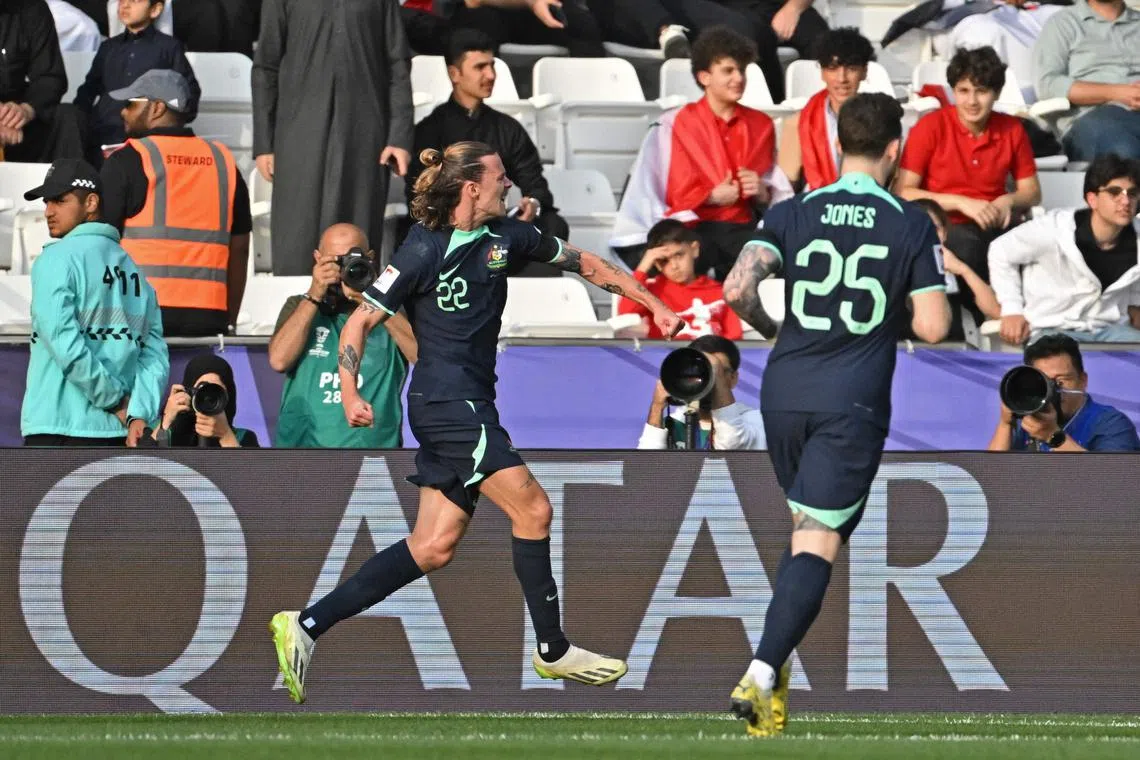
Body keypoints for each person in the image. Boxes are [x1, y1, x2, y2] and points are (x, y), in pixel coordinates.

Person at [268, 141, 685, 703]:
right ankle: (553, 649)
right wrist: (349, 390)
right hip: (448, 407)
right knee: (533, 509)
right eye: (499, 176)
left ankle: (306, 625)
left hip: (469, 405)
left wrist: (652, 303)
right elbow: (358, 323)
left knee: (432, 546)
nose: (508, 183)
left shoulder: (507, 237)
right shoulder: (421, 250)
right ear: (471, 188)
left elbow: (586, 262)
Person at [721, 93, 951, 737]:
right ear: (895, 150)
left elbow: (737, 288)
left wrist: (774, 329)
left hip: (784, 390)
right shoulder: (909, 223)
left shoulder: (794, 210)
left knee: (807, 530)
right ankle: (761, 669)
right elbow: (934, 326)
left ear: (835, 143)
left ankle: (774, 681)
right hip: (850, 398)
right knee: (819, 538)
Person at [252, 0, 413, 276]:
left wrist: (399, 137)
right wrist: (264, 142)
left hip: (364, 133)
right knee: (297, 230)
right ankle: (296, 301)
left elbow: (397, 62)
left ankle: (358, 299)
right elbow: (266, 65)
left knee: (358, 230)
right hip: (298, 132)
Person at [20, 158, 168, 446]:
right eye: (47, 202)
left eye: (60, 200)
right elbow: (155, 355)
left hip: (57, 429)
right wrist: (138, 414)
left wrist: (115, 401)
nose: (48, 211)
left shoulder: (55, 260)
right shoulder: (135, 271)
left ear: (90, 203)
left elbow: (64, 343)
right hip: (119, 433)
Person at [894, 45, 1041, 320]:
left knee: (1035, 246)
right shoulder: (931, 126)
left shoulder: (1012, 129)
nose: (972, 101)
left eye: (981, 91)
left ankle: (1024, 318)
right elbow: (903, 191)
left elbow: (1032, 192)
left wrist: (1008, 200)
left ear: (996, 93)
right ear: (953, 91)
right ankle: (986, 318)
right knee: (971, 245)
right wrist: (962, 203)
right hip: (944, 227)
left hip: (993, 224)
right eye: (963, 91)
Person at [100, 69, 249, 337]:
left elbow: (98, 245)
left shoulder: (128, 159)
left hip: (139, 315)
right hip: (209, 317)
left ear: (157, 108)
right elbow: (239, 249)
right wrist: (229, 320)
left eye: (131, 104)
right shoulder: (224, 163)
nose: (123, 112)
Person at [407, 29, 569, 276]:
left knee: (553, 226)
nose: (491, 75)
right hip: (452, 229)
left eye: (492, 65)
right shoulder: (429, 131)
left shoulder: (508, 128)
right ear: (454, 74)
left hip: (501, 229)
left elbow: (536, 185)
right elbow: (420, 193)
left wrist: (532, 203)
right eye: (480, 67)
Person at [270, 223, 418, 449]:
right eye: (335, 261)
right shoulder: (299, 306)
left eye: (352, 260)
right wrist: (314, 295)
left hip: (374, 456)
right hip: (302, 452)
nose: (344, 269)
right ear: (317, 258)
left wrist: (373, 300)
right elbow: (279, 360)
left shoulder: (391, 312)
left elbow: (421, 357)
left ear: (370, 258)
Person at [988, 153, 1140, 344]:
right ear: (1092, 199)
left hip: (1112, 331)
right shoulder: (1054, 228)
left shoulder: (1136, 236)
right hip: (1051, 330)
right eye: (1114, 192)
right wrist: (1012, 309)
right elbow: (1000, 250)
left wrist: (1135, 303)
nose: (1125, 201)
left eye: (1132, 193)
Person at [74, 0, 200, 167]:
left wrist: (167, 124)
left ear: (155, 9)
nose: (125, 5)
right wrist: (81, 122)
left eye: (135, 0)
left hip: (148, 140)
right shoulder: (108, 47)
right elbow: (88, 89)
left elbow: (187, 92)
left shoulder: (169, 47)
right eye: (122, 0)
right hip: (104, 135)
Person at [989, 333, 1140, 451]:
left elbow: (1111, 478)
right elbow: (990, 476)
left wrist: (1053, 437)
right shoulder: (1029, 421)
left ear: (1083, 380)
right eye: (1043, 382)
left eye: (1060, 381)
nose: (1052, 389)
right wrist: (1005, 424)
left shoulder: (1112, 423)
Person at [1034, 0, 1140, 161]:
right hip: (1093, 117)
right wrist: (1117, 92)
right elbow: (1047, 84)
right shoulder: (1063, 23)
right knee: (1123, 153)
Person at [778, 27, 875, 191]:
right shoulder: (798, 123)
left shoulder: (879, 121)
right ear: (822, 72)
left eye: (851, 69)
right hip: (814, 203)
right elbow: (785, 188)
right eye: (832, 68)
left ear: (864, 72)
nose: (842, 78)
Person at [619, 219, 744, 339]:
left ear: (694, 249)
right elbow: (626, 313)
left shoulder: (720, 292)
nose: (674, 266)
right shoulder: (651, 292)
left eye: (679, 255)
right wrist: (643, 267)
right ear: (656, 264)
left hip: (710, 353)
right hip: (666, 353)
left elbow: (734, 337)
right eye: (664, 260)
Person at [639, 334, 764, 449]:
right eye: (703, 370)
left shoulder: (754, 421)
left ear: (734, 378)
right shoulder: (673, 424)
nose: (712, 378)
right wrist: (657, 407)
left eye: (720, 371)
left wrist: (716, 369)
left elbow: (731, 445)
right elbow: (646, 464)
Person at [0, 0, 84, 162]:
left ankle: (67, 178)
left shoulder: (31, 8)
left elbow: (50, 75)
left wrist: (27, 110)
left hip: (17, 113)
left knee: (68, 116)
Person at [912, 197, 1002, 337]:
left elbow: (996, 311)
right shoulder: (895, 267)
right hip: (905, 347)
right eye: (918, 229)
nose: (927, 236)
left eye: (934, 229)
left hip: (956, 347)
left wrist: (963, 270)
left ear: (944, 233)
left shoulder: (957, 265)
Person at [152, 352, 260, 447]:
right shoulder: (160, 429)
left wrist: (225, 435)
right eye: (202, 388)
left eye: (216, 390)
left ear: (228, 397)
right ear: (188, 391)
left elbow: (250, 465)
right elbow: (145, 460)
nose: (207, 397)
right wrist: (166, 421)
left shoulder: (243, 437)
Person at [443, 0, 605, 58]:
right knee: (479, 27)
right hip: (483, 11)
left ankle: (586, 108)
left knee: (582, 24)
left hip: (538, 11)